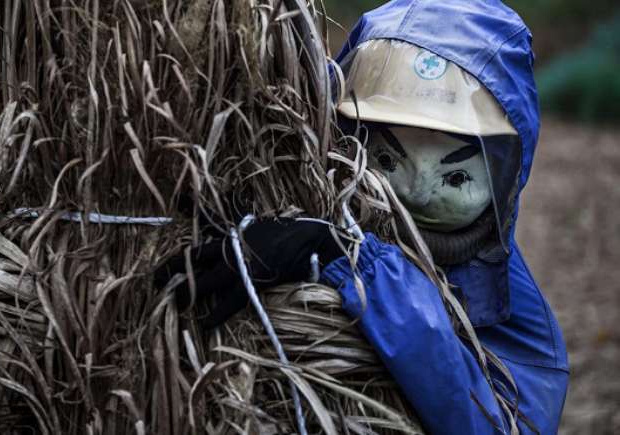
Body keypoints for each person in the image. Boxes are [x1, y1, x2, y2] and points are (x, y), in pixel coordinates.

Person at [161, 1, 569, 433]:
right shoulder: (310, 214)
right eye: (387, 161)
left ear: (507, 175)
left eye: (456, 178)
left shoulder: (517, 320)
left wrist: (356, 262)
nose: (418, 193)